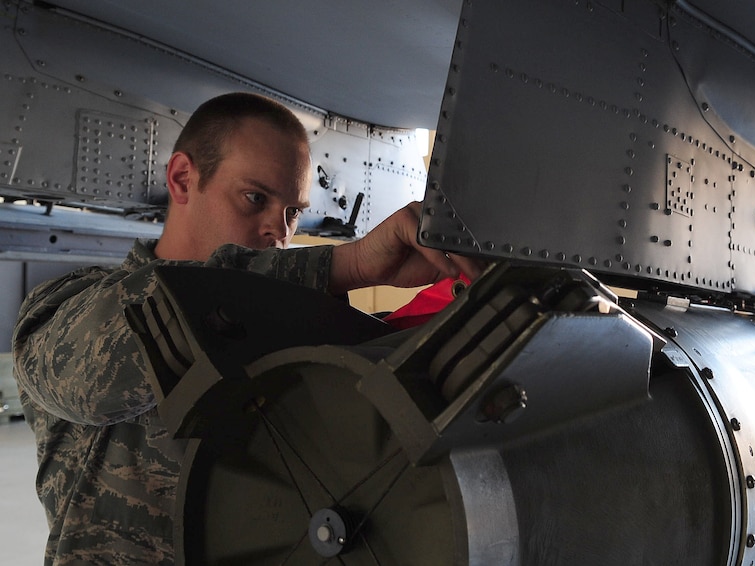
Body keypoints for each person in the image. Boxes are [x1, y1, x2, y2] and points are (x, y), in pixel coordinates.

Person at [12, 92, 480, 565]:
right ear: (182, 179)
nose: (278, 232)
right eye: (254, 198)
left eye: (292, 212)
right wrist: (346, 266)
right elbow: (94, 375)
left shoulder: (295, 335)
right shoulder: (67, 306)